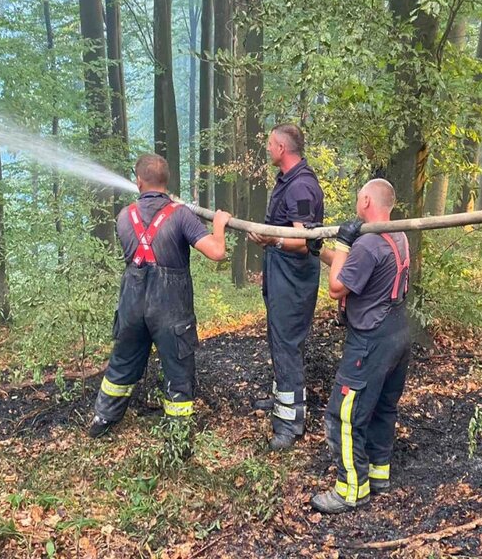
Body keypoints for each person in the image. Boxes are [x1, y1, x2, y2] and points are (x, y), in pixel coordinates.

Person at [89, 153, 232, 438]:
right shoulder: (181, 215)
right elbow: (217, 253)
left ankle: (103, 419)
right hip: (170, 305)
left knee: (123, 360)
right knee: (177, 367)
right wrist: (219, 223)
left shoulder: (123, 216)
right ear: (167, 181)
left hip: (132, 302)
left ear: (139, 180)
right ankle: (178, 433)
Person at [309, 179, 412, 514]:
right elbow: (358, 272)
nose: (357, 200)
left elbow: (338, 288)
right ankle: (378, 473)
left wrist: (342, 244)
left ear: (366, 199)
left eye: (358, 196)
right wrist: (322, 251)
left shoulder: (368, 243)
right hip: (397, 332)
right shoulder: (398, 235)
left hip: (370, 340)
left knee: (345, 415)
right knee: (383, 405)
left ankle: (351, 490)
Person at [248, 124, 324, 451]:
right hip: (280, 271)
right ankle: (284, 399)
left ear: (281, 148)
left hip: (294, 276)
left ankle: (289, 424)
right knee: (280, 340)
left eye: (270, 144)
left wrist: (271, 239)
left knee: (287, 343)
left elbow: (305, 242)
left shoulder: (301, 187)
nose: (268, 149)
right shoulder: (288, 181)